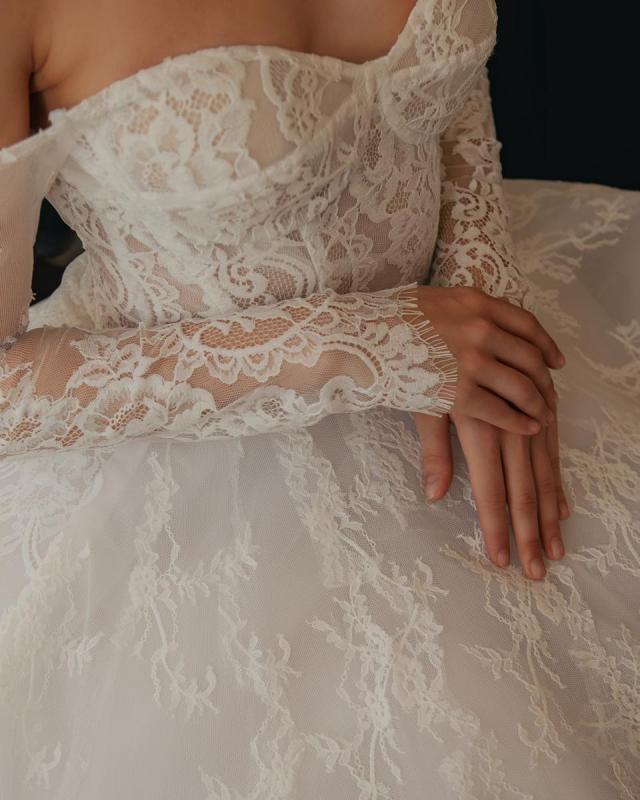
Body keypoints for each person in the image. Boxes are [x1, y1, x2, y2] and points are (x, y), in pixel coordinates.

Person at [0, 0, 637, 797]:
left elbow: (444, 88)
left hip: (471, 366)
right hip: (201, 477)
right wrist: (365, 344)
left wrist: (483, 288)